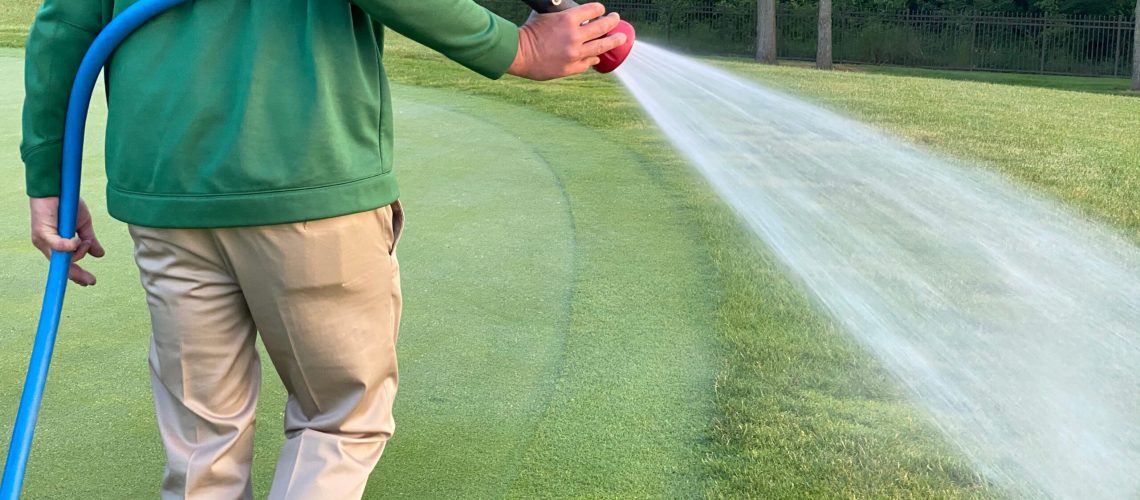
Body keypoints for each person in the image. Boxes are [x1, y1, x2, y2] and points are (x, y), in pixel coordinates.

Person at [21, 1, 627, 498]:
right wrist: (514, 47)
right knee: (338, 419)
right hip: (311, 180)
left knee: (201, 443)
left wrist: (49, 179)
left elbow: (63, 26)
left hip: (167, 196)